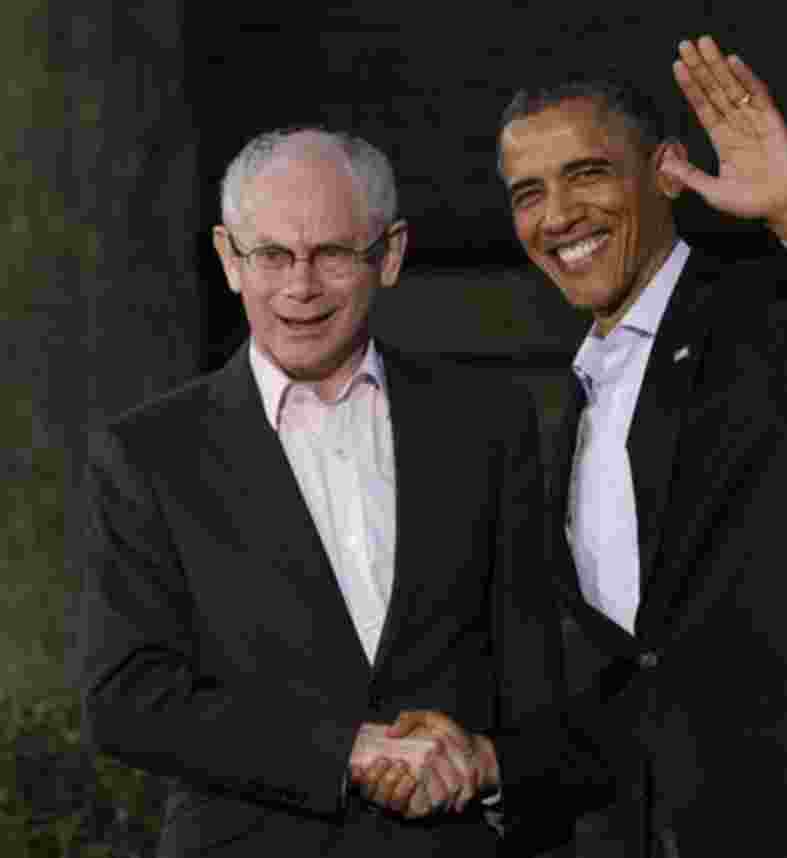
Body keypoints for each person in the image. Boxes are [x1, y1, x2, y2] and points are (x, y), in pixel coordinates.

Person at [353, 35, 787, 855]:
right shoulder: (569, 412)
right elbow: (649, 689)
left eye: (587, 174)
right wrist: (493, 762)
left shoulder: (769, 321)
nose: (558, 216)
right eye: (527, 193)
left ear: (665, 172)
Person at [74, 127, 576, 856]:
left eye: (333, 254)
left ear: (390, 255)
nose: (299, 287)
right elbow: (126, 701)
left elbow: (534, 688)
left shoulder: (488, 425)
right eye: (272, 254)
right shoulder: (148, 455)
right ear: (228, 259)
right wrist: (345, 752)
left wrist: (497, 778)